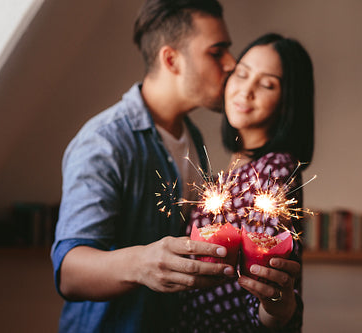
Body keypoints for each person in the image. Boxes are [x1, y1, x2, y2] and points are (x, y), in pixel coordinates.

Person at [50, 0, 236, 331]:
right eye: (216, 52)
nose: (232, 64)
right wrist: (142, 263)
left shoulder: (193, 136)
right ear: (171, 59)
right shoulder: (104, 141)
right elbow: (69, 273)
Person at [175, 33, 314, 332]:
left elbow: (264, 287)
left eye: (266, 84)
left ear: (287, 101)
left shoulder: (272, 171)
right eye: (242, 73)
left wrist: (276, 306)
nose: (245, 90)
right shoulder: (230, 171)